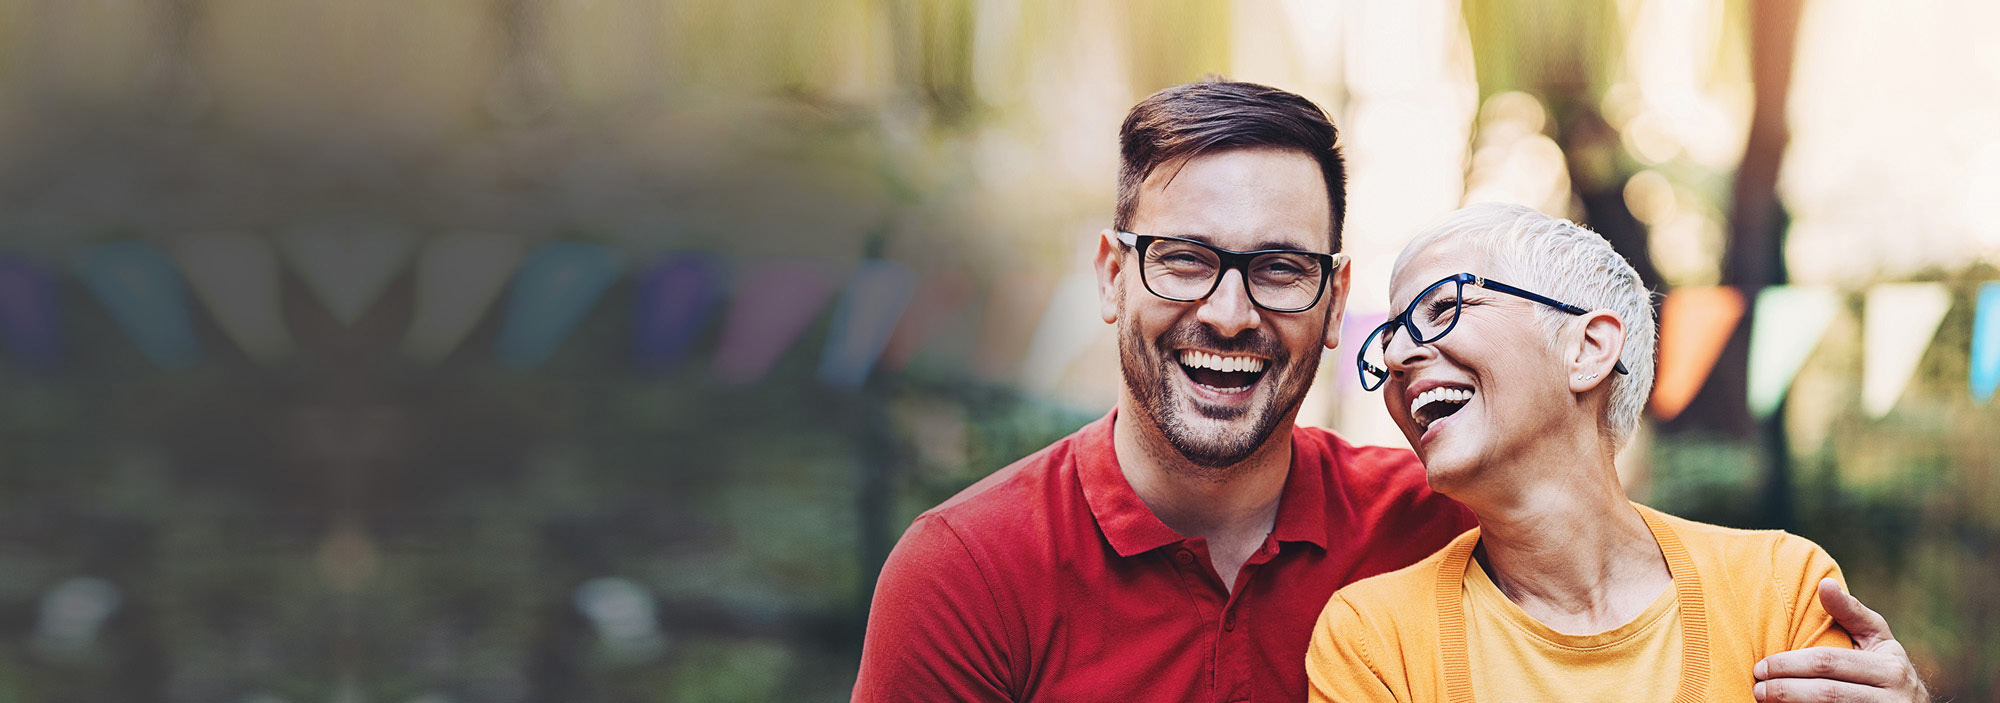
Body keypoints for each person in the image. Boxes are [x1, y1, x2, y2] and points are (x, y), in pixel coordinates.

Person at [853, 79, 1928, 703]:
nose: (1229, 312)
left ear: (1330, 303)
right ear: (1110, 274)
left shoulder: (1438, 520)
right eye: (1183, 257)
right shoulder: (968, 572)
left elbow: (1615, 554)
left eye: (1278, 268)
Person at [1306, 202, 1928, 703]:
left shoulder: (1780, 590)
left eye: (1442, 308)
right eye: (1387, 338)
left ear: (1588, 349)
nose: (1394, 357)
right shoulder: (1372, 640)